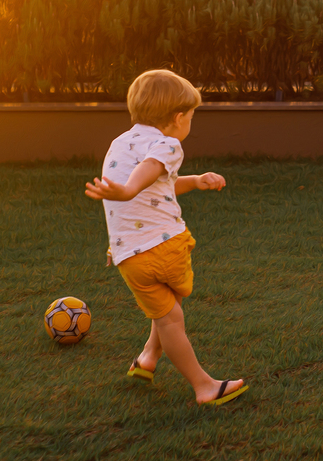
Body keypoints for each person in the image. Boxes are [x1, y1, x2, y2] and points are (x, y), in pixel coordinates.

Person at [84, 69, 247, 406]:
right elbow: (149, 172)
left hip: (128, 257)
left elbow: (158, 183)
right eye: (190, 117)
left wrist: (196, 180)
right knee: (173, 319)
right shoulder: (167, 143)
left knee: (164, 310)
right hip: (164, 248)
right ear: (178, 117)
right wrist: (128, 189)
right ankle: (203, 386)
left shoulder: (120, 143)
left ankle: (146, 359)